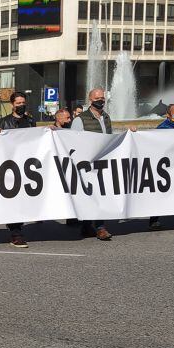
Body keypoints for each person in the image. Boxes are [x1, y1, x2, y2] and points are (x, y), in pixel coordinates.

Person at [69, 88, 117, 241]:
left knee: (101, 194)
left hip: (102, 162)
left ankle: (99, 226)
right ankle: (87, 225)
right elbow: (73, 141)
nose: (101, 100)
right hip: (86, 163)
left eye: (102, 98)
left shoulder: (107, 117)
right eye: (97, 98)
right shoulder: (80, 119)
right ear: (90, 100)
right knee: (89, 195)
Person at [0, 92, 38, 246]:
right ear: (12, 104)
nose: (21, 105)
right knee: (12, 198)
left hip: (26, 164)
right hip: (9, 165)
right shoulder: (3, 122)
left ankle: (18, 229)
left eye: (23, 102)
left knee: (24, 199)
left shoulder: (31, 121)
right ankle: (15, 233)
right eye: (18, 103)